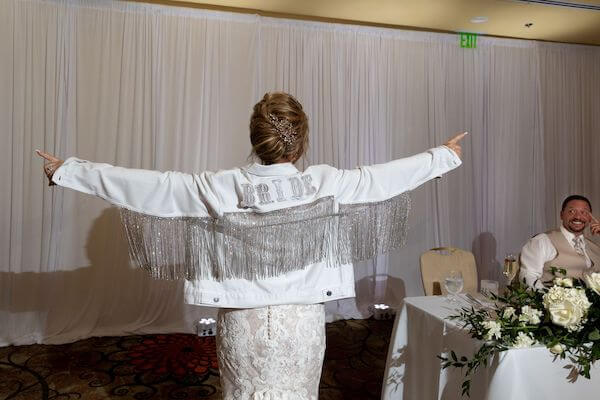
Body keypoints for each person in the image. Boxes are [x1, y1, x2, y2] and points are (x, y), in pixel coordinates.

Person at [37, 92, 466, 399]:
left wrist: (69, 171)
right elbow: (382, 178)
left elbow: (146, 186)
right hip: (302, 326)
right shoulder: (326, 183)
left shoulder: (217, 187)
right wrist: (441, 156)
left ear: (255, 140)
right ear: (301, 139)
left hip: (244, 326)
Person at [519, 194, 600, 289]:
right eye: (572, 211)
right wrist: (548, 298)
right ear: (561, 215)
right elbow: (528, 278)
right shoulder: (542, 241)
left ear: (590, 218)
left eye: (584, 212)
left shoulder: (595, 247)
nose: (578, 217)